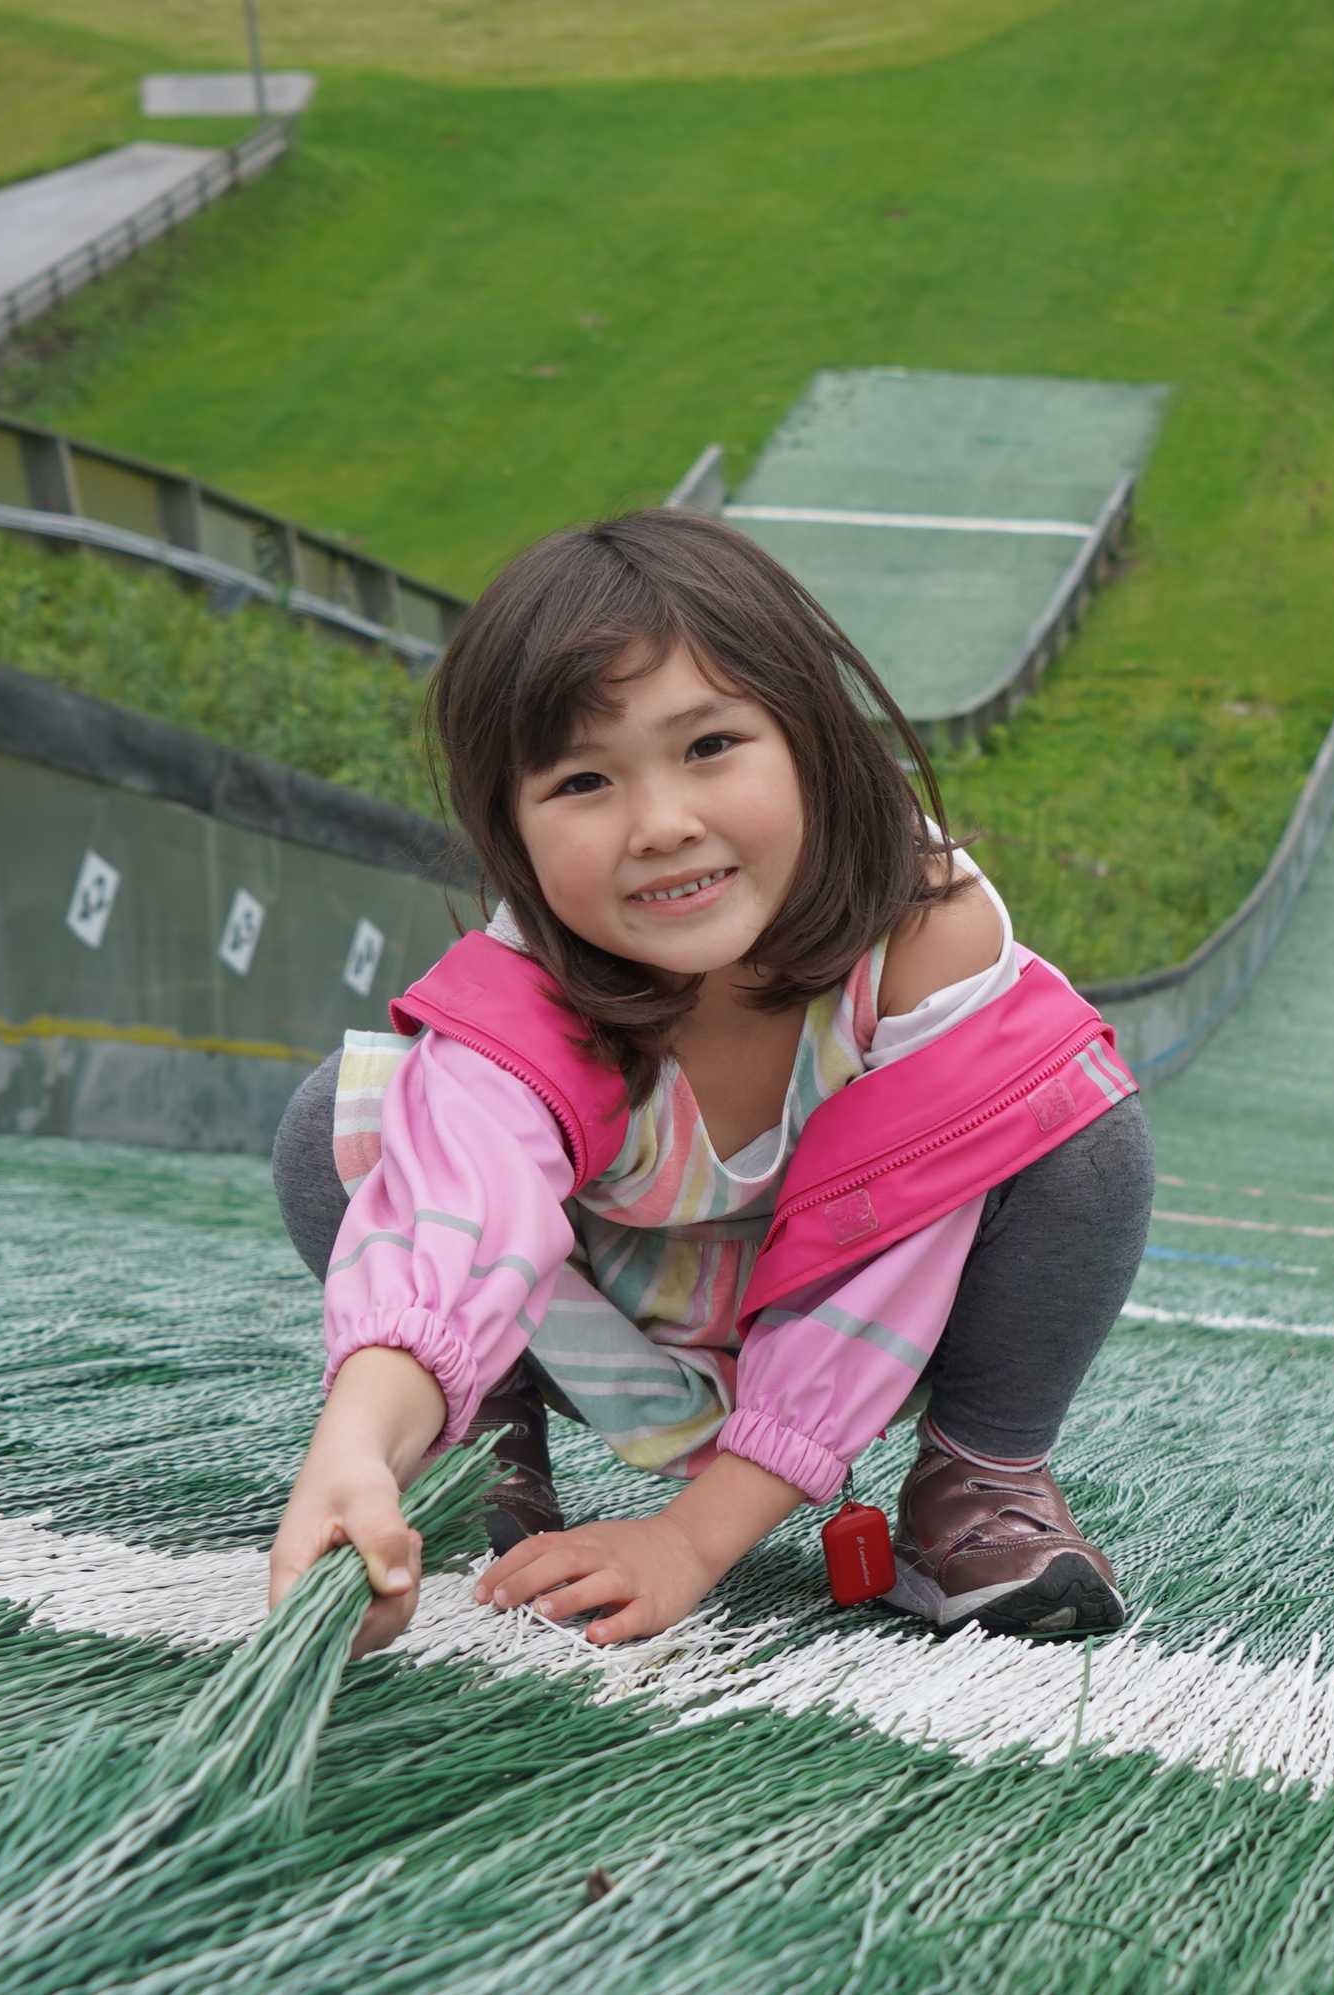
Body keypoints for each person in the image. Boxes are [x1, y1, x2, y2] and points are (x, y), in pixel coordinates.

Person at [264, 511, 1153, 1658]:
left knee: (1073, 1121)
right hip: (620, 1312)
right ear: (512, 834)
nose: (663, 826)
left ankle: (979, 1484)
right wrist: (356, 1441)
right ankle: (480, 1436)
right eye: (584, 780)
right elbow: (457, 1212)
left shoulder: (927, 937)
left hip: (870, 1304)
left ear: (814, 741)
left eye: (710, 747)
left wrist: (693, 1538)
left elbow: (891, 1273)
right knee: (353, 1119)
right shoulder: (536, 982)